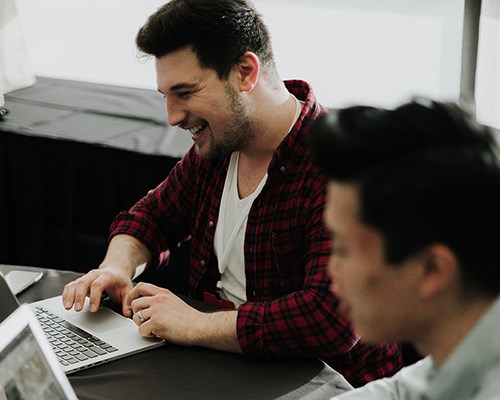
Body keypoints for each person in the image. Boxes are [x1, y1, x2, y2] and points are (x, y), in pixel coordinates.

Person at [61, 0, 402, 387]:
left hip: (327, 385)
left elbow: (332, 319)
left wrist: (197, 325)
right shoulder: (219, 147)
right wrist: (116, 267)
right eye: (165, 96)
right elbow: (151, 216)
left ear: (245, 72)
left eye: (185, 93)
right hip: (227, 368)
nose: (172, 116)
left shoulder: (343, 167)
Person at [308, 99, 500, 399]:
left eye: (343, 249)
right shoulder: (460, 346)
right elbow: (402, 391)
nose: (331, 270)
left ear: (432, 269)